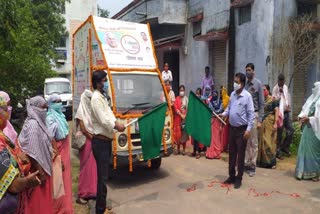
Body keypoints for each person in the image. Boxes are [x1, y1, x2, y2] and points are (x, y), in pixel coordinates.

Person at [90, 70, 125, 214]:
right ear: (98, 82)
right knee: (102, 179)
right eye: (104, 81)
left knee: (104, 177)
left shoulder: (102, 97)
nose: (106, 83)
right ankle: (100, 210)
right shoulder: (96, 99)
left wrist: (116, 121)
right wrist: (116, 125)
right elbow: (104, 120)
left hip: (105, 142)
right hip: (100, 143)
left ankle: (102, 206)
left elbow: (109, 115)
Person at [0, 96, 40, 213]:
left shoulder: (3, 137)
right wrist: (28, 181)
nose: (7, 113)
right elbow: (13, 186)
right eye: (5, 109)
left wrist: (18, 158)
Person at [18, 96, 54, 214]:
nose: (44, 111)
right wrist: (41, 172)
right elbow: (33, 152)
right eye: (42, 108)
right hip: (36, 172)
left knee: (44, 202)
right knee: (38, 204)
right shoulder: (33, 125)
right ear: (35, 108)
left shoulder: (39, 123)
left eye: (46, 108)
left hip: (41, 169)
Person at [220, 72, 255, 189]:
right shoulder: (232, 94)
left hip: (242, 130)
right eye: (234, 81)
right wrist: (223, 114)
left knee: (240, 155)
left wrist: (248, 129)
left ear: (242, 84)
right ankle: (231, 176)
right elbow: (229, 109)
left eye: (237, 82)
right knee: (232, 154)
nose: (235, 84)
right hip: (232, 129)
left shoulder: (247, 97)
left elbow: (251, 115)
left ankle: (239, 178)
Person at [46, 94, 73, 213]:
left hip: (64, 148)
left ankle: (66, 206)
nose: (59, 103)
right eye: (55, 101)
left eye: (60, 101)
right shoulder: (49, 118)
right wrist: (56, 153)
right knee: (58, 179)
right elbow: (50, 137)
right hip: (58, 149)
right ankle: (59, 208)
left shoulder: (61, 115)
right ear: (50, 104)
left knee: (66, 177)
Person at [75, 90, 97, 204]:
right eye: (88, 99)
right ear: (84, 99)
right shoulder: (80, 111)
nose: (90, 101)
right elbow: (83, 128)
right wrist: (93, 138)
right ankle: (82, 194)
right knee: (85, 167)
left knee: (93, 167)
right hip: (86, 142)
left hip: (92, 140)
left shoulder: (91, 110)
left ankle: (92, 192)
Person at [295, 82, 320, 182]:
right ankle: (303, 172)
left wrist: (310, 119)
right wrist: (301, 116)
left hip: (315, 130)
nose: (312, 88)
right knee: (304, 149)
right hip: (307, 128)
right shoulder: (311, 99)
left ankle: (315, 173)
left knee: (314, 152)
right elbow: (305, 109)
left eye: (315, 87)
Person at [244, 63, 264, 177]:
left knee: (254, 142)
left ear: (254, 71)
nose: (248, 72)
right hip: (246, 116)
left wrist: (260, 120)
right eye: (246, 70)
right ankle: (246, 163)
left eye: (250, 70)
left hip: (255, 115)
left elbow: (262, 103)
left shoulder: (258, 84)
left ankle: (253, 165)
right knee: (246, 141)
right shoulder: (245, 85)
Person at [272, 74, 294, 159]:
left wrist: (288, 106)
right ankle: (278, 152)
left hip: (286, 112)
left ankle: (285, 147)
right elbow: (274, 101)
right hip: (280, 114)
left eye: (283, 81)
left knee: (291, 130)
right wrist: (279, 93)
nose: (281, 82)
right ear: (278, 80)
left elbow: (287, 98)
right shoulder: (275, 88)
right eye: (280, 81)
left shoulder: (285, 87)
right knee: (279, 133)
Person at [257, 85, 279, 169]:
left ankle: (271, 163)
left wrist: (275, 123)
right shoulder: (261, 101)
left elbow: (276, 111)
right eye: (262, 90)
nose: (263, 92)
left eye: (264, 90)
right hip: (263, 123)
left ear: (268, 90)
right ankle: (263, 162)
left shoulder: (273, 100)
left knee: (269, 142)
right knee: (261, 141)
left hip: (270, 122)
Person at [206, 90, 224, 159]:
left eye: (216, 94)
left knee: (217, 137)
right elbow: (211, 110)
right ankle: (210, 154)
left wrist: (217, 113)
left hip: (218, 121)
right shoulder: (210, 102)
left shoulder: (220, 102)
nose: (214, 95)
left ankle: (217, 153)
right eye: (213, 94)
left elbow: (221, 109)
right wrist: (216, 113)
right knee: (212, 137)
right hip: (212, 120)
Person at [173, 85, 189, 155]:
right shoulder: (177, 99)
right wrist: (180, 114)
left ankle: (184, 150)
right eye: (180, 90)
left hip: (184, 119)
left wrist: (185, 115)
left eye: (182, 90)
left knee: (184, 134)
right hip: (178, 119)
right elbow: (175, 108)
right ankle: (178, 149)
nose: (181, 91)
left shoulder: (186, 99)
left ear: (184, 91)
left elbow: (188, 109)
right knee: (178, 135)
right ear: (179, 91)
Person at [192, 88, 206, 159]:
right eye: (196, 93)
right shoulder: (194, 101)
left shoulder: (202, 101)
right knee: (194, 136)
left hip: (200, 121)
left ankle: (198, 151)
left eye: (198, 93)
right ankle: (195, 150)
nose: (197, 94)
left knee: (198, 137)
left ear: (200, 94)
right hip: (195, 120)